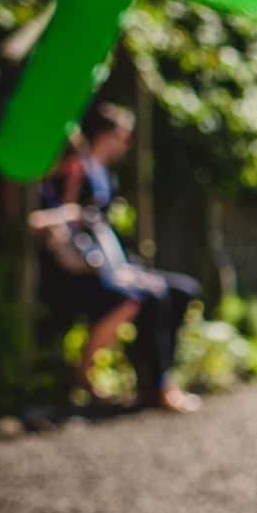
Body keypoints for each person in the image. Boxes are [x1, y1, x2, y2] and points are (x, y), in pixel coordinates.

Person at [29, 103, 202, 412]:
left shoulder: (103, 176)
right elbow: (49, 223)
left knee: (182, 290)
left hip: (105, 263)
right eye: (123, 135)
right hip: (79, 270)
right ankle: (100, 379)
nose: (127, 143)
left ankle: (156, 380)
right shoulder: (65, 175)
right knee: (149, 295)